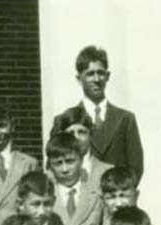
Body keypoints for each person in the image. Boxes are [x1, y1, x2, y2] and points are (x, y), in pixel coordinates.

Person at [55, 45, 144, 180]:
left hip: (116, 196)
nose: (96, 79)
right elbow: (54, 164)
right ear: (79, 78)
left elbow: (135, 168)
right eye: (90, 74)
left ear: (107, 76)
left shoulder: (125, 119)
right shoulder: (64, 120)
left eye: (101, 73)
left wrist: (117, 195)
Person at [46, 132, 104, 225]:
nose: (65, 169)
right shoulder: (45, 196)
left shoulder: (97, 194)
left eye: (70, 161)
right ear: (50, 165)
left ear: (81, 160)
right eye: (58, 163)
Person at [50, 104, 113, 190]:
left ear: (90, 135)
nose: (76, 137)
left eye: (81, 132)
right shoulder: (50, 176)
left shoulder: (107, 172)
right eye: (70, 133)